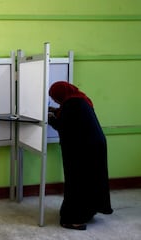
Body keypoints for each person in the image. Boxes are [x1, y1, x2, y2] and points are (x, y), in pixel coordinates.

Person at [48, 81, 113, 230]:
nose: (56, 101)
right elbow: (71, 118)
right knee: (91, 180)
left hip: (82, 149)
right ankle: (87, 211)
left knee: (77, 181)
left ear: (61, 94)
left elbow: (64, 126)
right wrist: (57, 111)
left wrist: (50, 119)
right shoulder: (79, 99)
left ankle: (73, 219)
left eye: (55, 98)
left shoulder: (71, 105)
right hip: (94, 146)